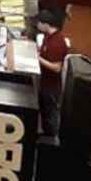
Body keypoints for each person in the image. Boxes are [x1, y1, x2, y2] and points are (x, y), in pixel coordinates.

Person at [35, 9, 70, 137]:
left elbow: (56, 68)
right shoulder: (48, 36)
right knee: (44, 111)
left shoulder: (57, 42)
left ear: (46, 24)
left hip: (52, 87)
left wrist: (38, 58)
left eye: (39, 23)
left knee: (50, 115)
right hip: (44, 83)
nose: (37, 25)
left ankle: (51, 139)